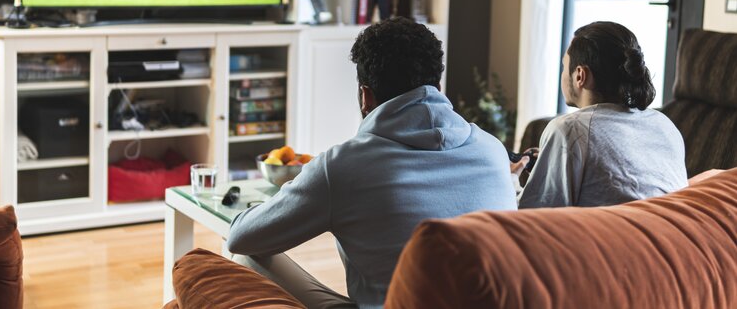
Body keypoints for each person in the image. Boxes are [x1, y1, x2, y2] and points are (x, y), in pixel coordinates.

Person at [226, 17, 516, 309]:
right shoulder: (492, 150)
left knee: (247, 255)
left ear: (366, 95)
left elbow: (240, 238)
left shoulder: (343, 166)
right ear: (437, 85)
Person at [518, 21, 687, 209]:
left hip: (607, 237)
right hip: (667, 234)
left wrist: (509, 180)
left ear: (580, 75)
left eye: (564, 67)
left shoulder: (569, 130)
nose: (563, 74)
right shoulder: (665, 125)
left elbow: (532, 214)